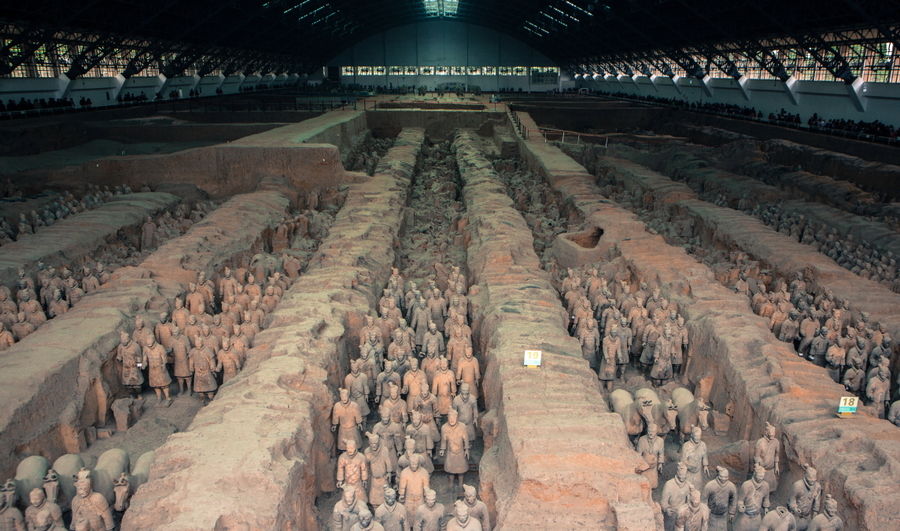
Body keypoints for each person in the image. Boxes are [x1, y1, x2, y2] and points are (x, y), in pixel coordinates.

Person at [734, 463, 771, 531]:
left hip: (757, 516)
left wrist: (766, 508)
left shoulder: (766, 485)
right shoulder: (746, 485)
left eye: (762, 476)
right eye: (759, 476)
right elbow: (740, 500)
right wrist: (741, 506)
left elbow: (766, 498)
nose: (760, 478)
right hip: (745, 515)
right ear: (754, 474)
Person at [701, 467, 736, 531]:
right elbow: (704, 500)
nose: (723, 479)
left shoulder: (731, 486)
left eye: (726, 477)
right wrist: (705, 512)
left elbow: (733, 500)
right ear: (718, 475)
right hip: (711, 515)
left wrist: (732, 513)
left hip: (723, 515)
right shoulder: (710, 485)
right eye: (721, 476)